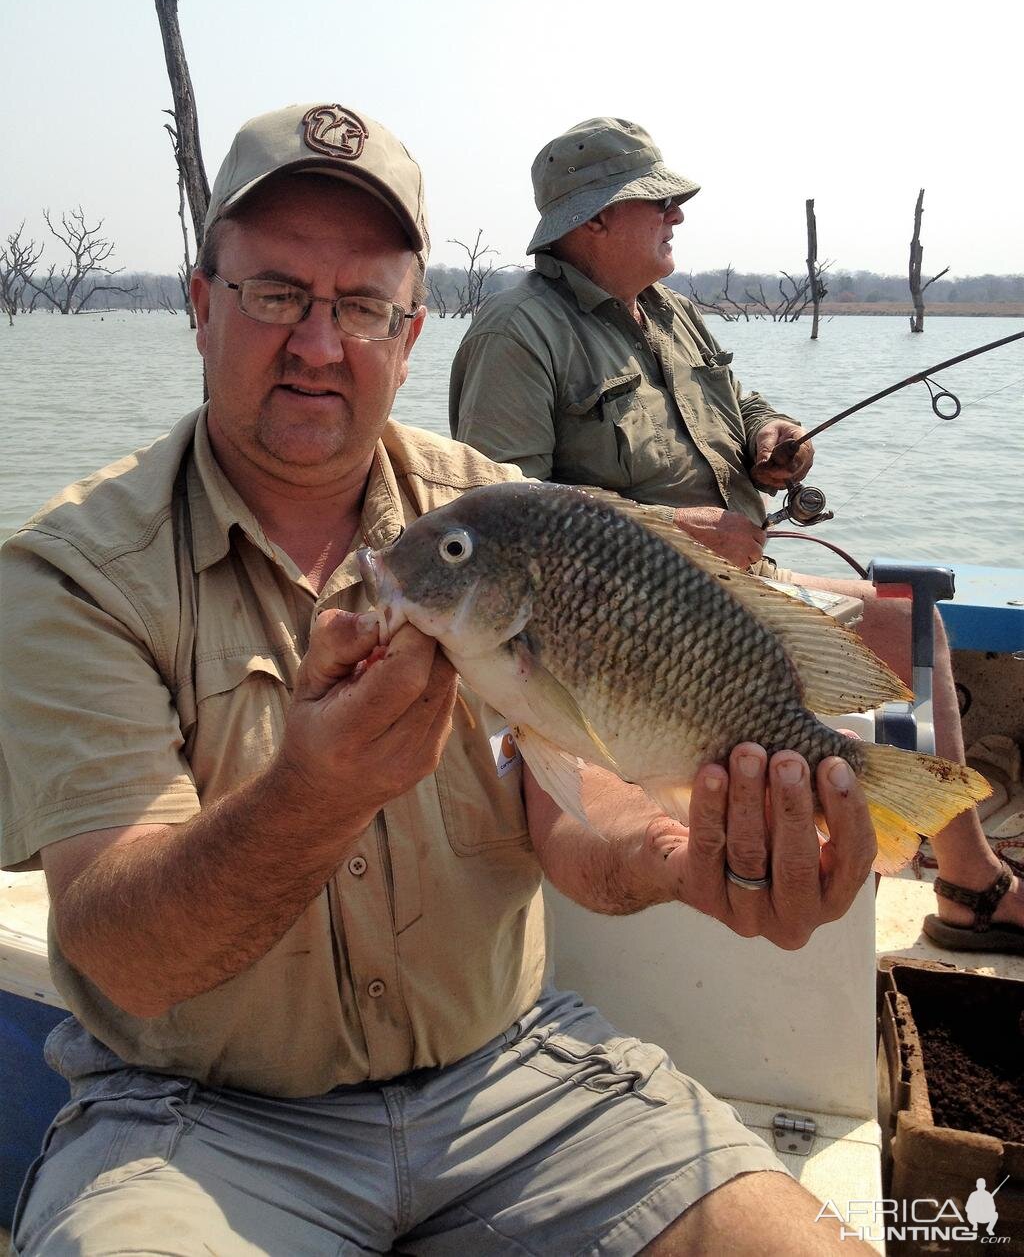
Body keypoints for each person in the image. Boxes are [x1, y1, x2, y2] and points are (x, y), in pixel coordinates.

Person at [0, 101, 879, 1257]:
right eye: (275, 293)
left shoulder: (502, 516)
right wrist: (312, 793)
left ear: (409, 336)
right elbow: (122, 951)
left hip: (516, 1080)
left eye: (362, 304)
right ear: (201, 302)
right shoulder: (72, 575)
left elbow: (574, 801)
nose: (320, 342)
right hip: (197, 1121)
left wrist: (684, 856)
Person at [450, 116, 1024, 952]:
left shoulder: (673, 314)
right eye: (657, 200)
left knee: (911, 622)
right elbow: (500, 509)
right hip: (626, 634)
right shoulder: (518, 333)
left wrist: (770, 438)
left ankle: (966, 884)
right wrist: (675, 530)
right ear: (593, 220)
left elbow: (742, 402)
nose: (677, 213)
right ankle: (949, 872)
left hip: (743, 594)